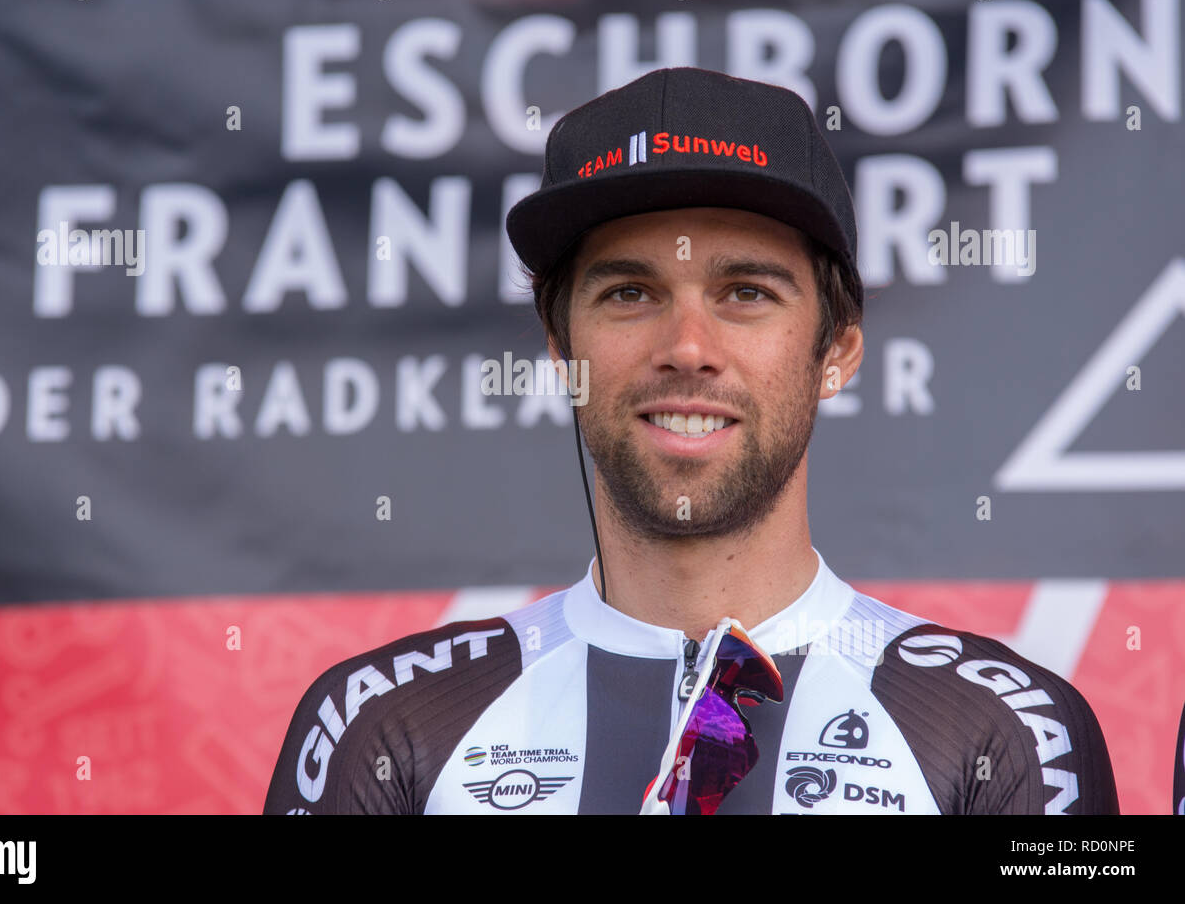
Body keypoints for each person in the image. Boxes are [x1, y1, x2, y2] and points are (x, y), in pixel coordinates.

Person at [263, 67, 1118, 815]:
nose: (686, 347)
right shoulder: (384, 727)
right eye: (630, 293)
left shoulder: (1006, 734)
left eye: (746, 292)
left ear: (838, 352)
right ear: (563, 351)